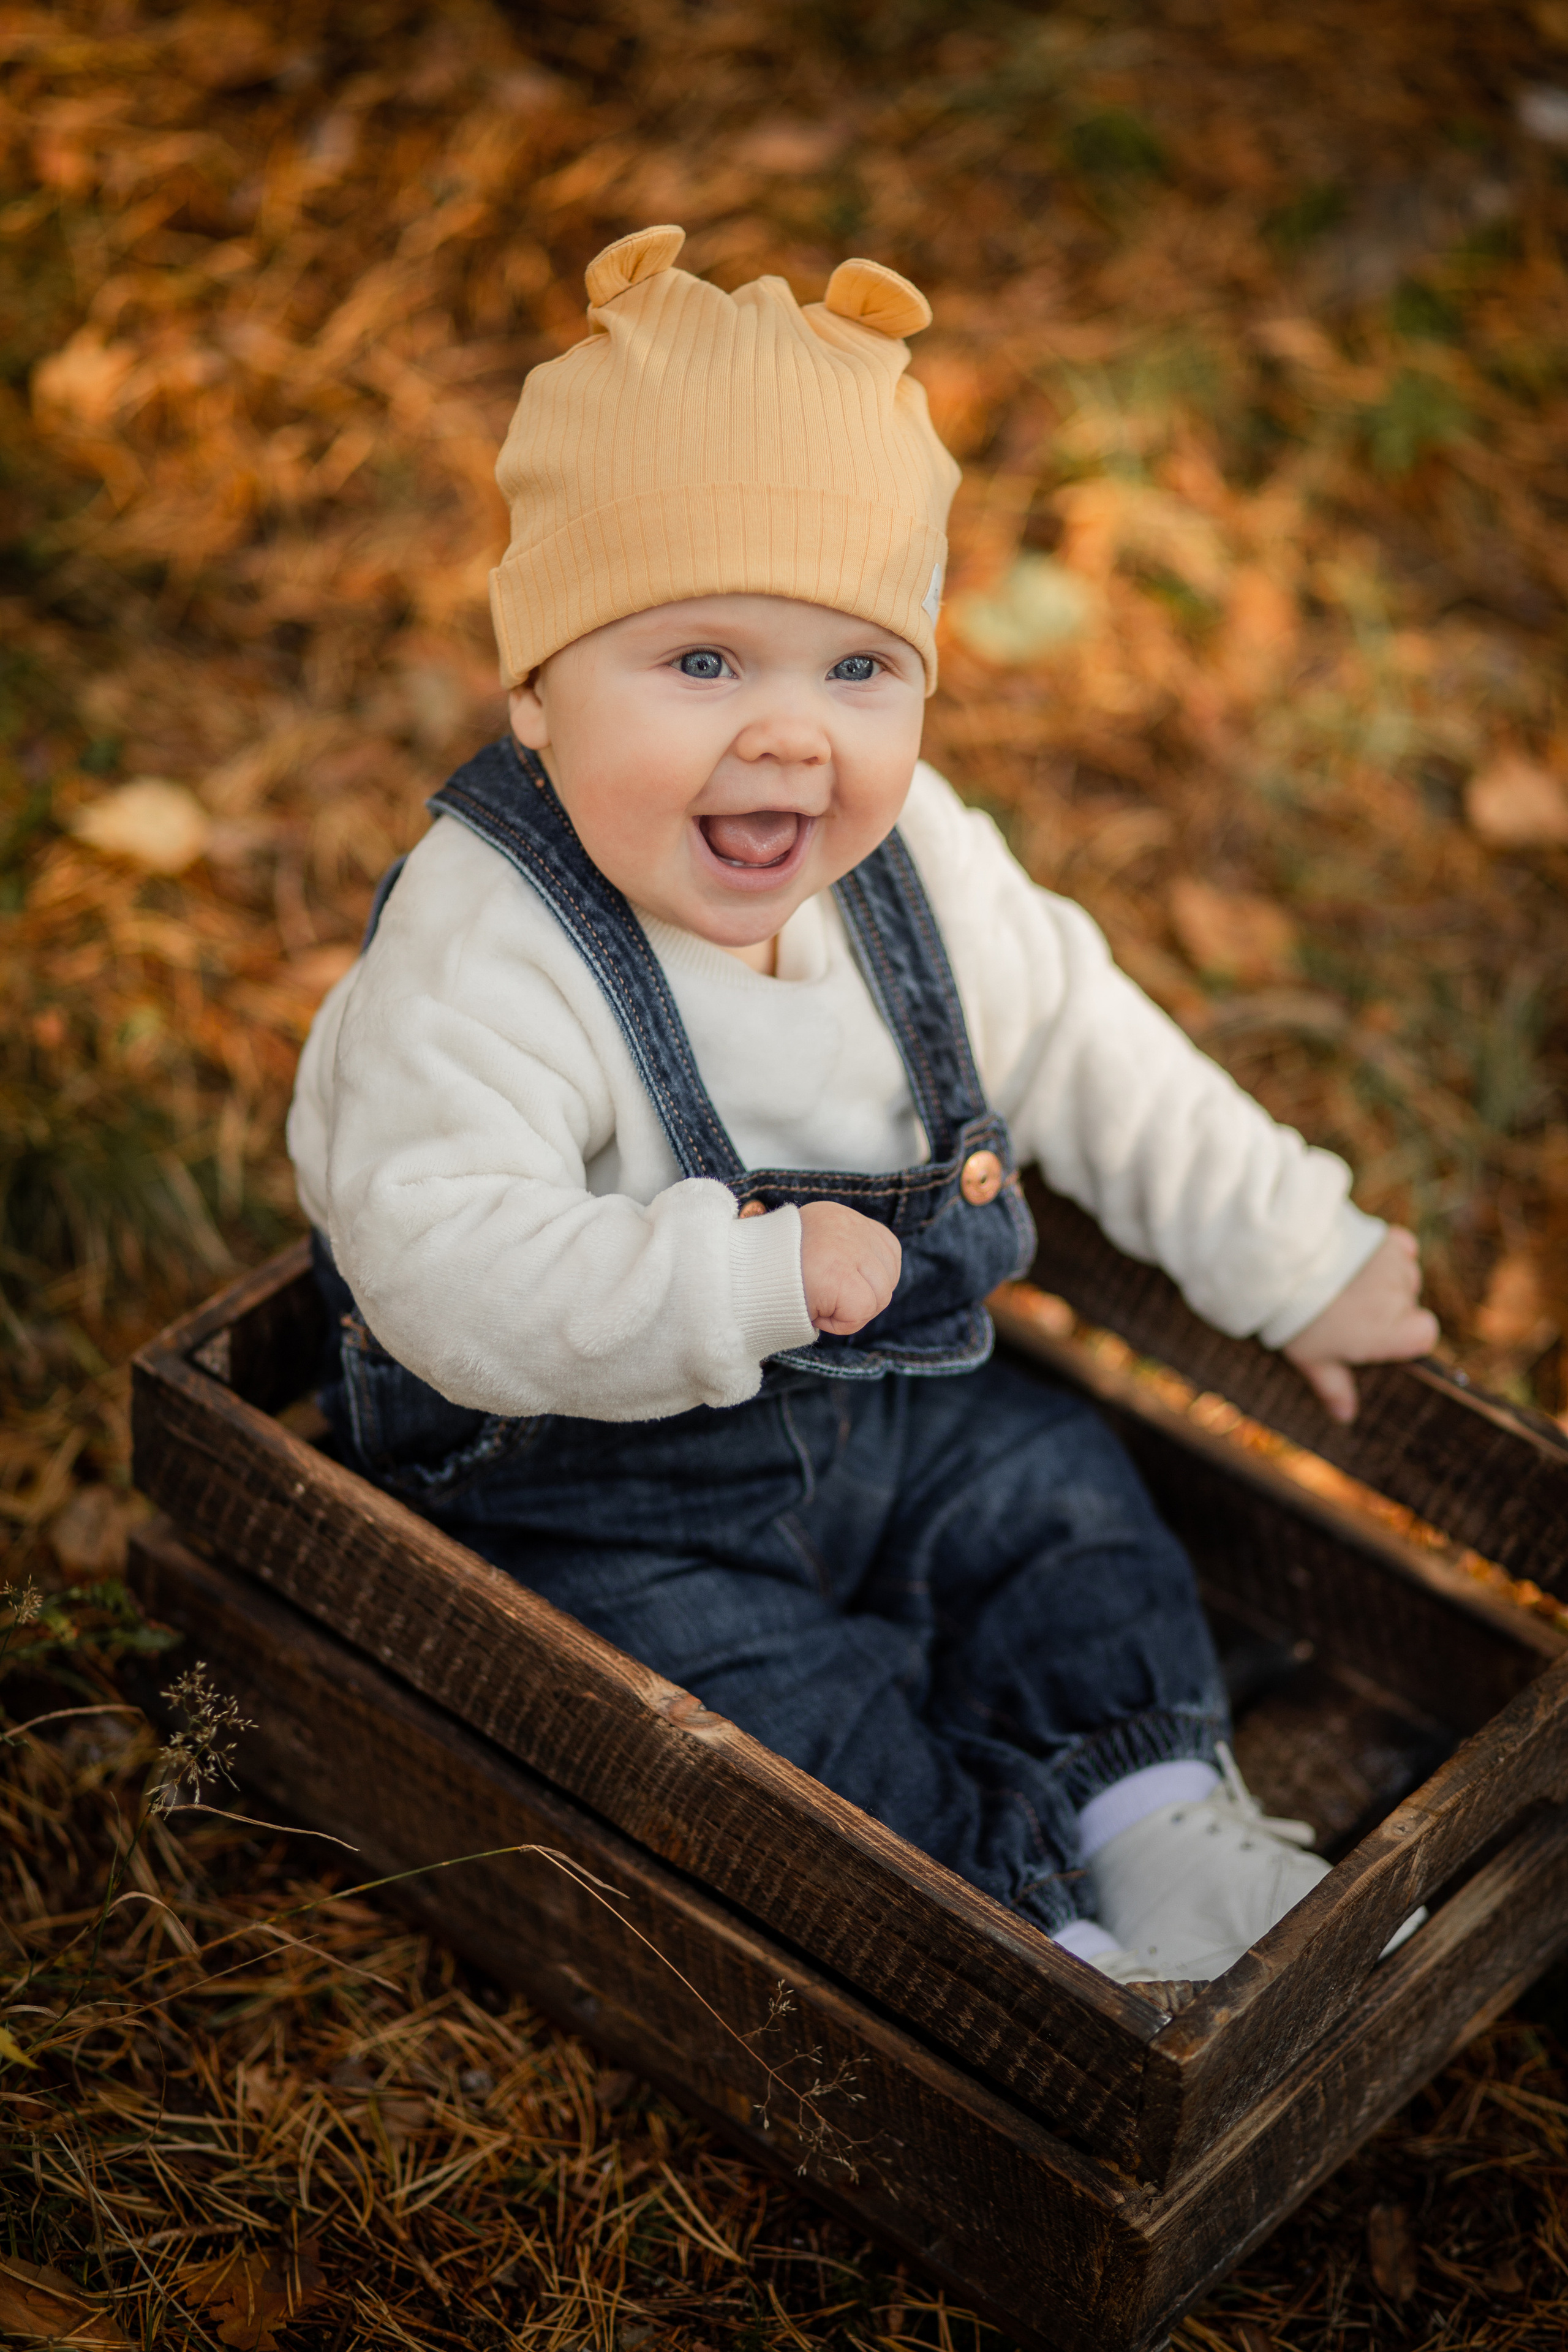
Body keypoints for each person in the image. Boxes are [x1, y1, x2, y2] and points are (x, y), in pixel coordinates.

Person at [287, 224, 1436, 1987]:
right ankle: (1026, 1944)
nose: (791, 737)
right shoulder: (486, 943)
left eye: (857, 667)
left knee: (1060, 1496)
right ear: (535, 689)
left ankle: (1157, 1824)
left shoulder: (921, 873)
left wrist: (1294, 1249)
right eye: (700, 664)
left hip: (904, 1427)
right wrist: (724, 1282)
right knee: (754, 1715)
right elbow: (437, 1255)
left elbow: (1090, 1046)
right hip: (599, 1499)